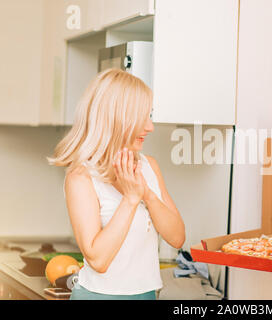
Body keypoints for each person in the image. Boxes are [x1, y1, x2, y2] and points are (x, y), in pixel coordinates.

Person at [48, 69, 185, 300]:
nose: (150, 127)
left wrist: (147, 195)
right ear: (116, 118)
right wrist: (131, 199)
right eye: (142, 117)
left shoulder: (149, 166)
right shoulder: (81, 177)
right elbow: (98, 260)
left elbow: (177, 237)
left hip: (147, 295)